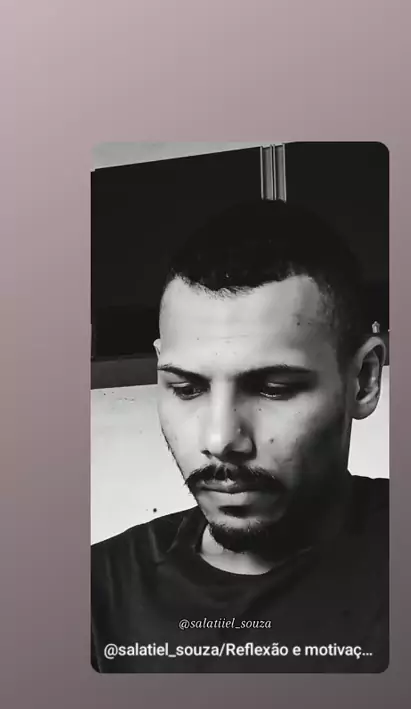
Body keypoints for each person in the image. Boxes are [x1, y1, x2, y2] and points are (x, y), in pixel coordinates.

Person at [91, 200, 389, 673]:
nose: (220, 439)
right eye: (187, 388)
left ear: (364, 381)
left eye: (274, 389)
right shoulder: (95, 597)